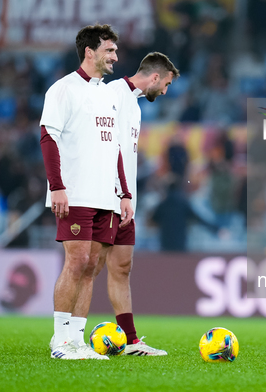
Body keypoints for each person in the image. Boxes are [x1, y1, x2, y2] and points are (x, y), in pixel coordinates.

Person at [71, 52, 180, 356]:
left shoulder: (134, 104)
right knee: (90, 266)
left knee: (122, 266)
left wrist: (128, 196)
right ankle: (71, 338)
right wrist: (119, 194)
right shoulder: (112, 94)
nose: (166, 92)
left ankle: (131, 341)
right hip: (107, 197)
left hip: (125, 201)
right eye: (167, 84)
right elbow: (103, 147)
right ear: (155, 77)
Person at [41, 24, 133, 360]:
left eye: (115, 51)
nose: (116, 57)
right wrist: (57, 187)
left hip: (106, 196)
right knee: (76, 261)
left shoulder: (108, 94)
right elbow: (48, 138)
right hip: (75, 192)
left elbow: (117, 147)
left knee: (93, 264)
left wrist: (124, 193)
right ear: (89, 52)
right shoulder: (63, 89)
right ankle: (60, 341)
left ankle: (77, 340)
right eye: (109, 50)